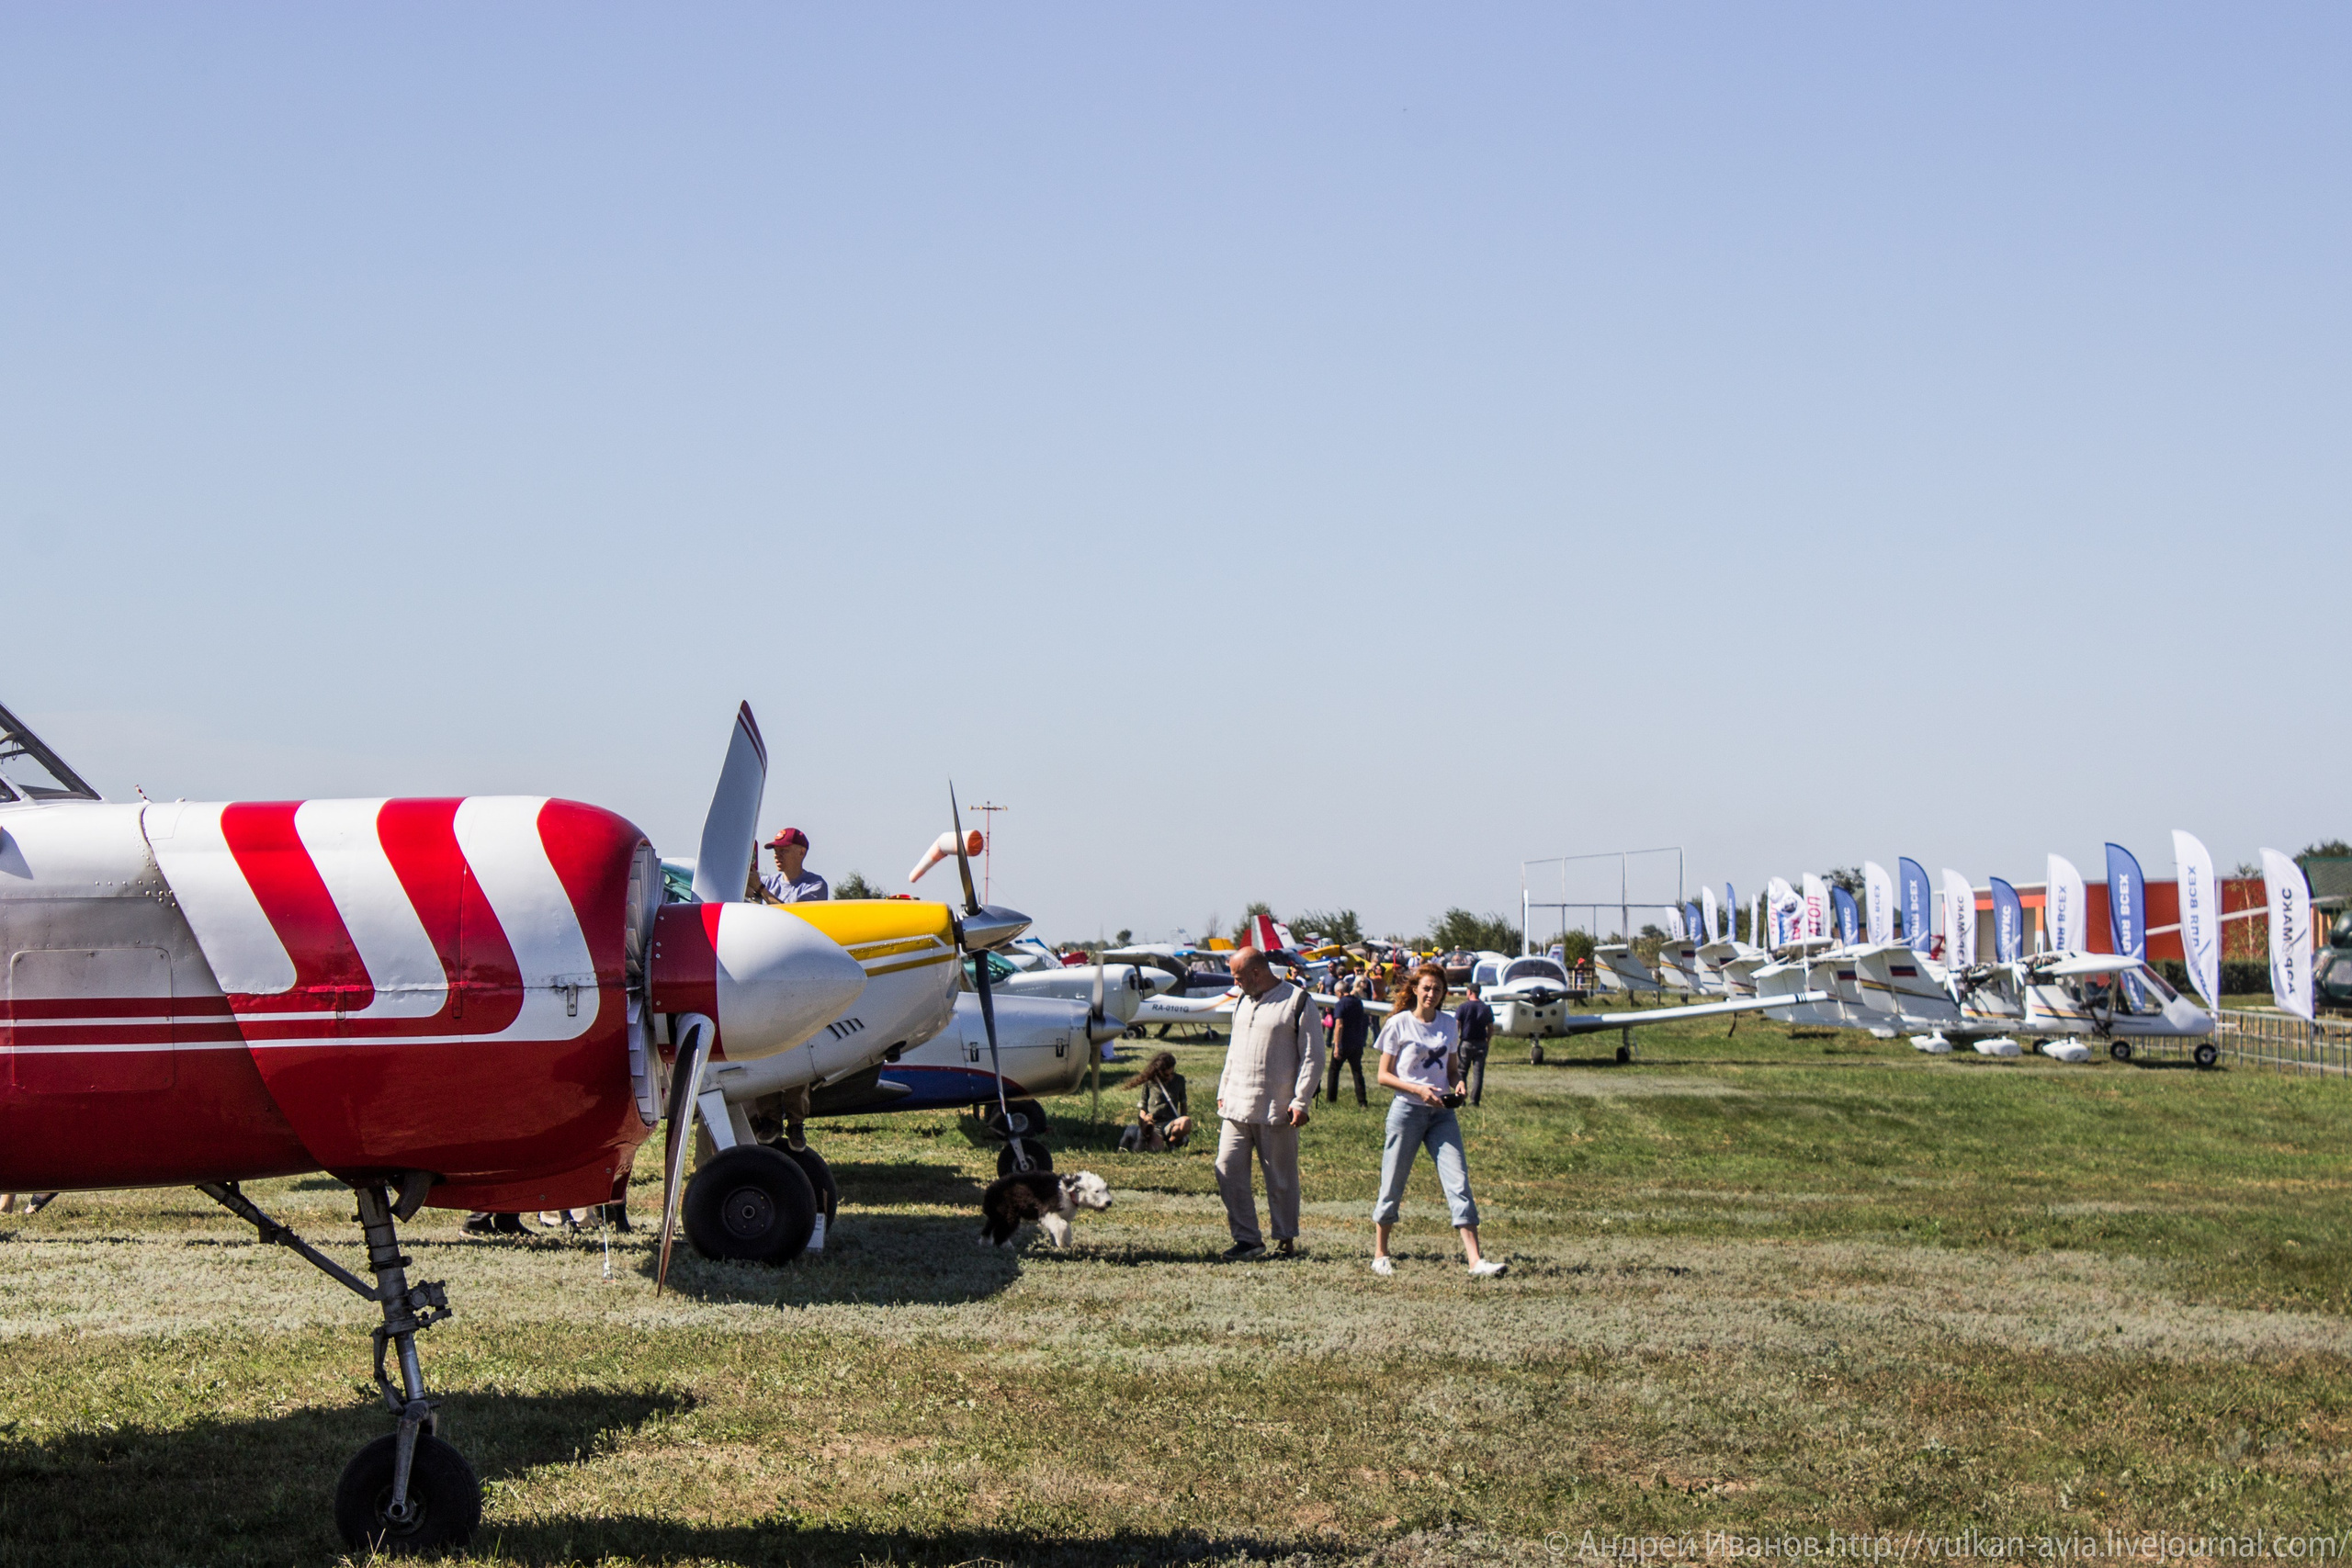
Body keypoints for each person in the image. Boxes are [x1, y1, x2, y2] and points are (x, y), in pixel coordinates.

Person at [1371, 962, 1505, 1279]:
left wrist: (1457, 1083)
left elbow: (1451, 1069)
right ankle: (1380, 1254)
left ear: (1445, 994)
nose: (1431, 994)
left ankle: (1475, 1261)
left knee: (1458, 1180)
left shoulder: (1449, 1023)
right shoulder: (1399, 1024)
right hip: (1407, 1111)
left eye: (1438, 989)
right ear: (1415, 989)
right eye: (1426, 988)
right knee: (1393, 1181)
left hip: (1442, 1113)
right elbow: (1383, 1076)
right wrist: (1417, 1088)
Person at [1213, 945, 1325, 1261]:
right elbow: (1234, 1050)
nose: (1236, 983)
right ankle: (1247, 1239)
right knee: (1227, 1168)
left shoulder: (1298, 1001)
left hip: (1277, 1107)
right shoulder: (1241, 1003)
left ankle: (1285, 1240)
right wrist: (1224, 1087)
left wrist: (1301, 1100)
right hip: (1236, 1105)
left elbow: (1313, 1056)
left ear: (1256, 973)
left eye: (1238, 977)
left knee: (1280, 1178)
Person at [1118, 1051, 1193, 1152]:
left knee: (1186, 1121)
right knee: (1155, 1150)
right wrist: (1144, 1124)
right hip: (1155, 1124)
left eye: (1172, 1073)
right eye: (1166, 1075)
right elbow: (1143, 1105)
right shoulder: (1150, 1082)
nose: (1169, 1077)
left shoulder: (1179, 1080)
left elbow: (1183, 1102)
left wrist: (1184, 1126)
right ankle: (1152, 1140)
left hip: (1171, 1122)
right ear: (1159, 1071)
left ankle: (1172, 1141)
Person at [1326, 976, 1369, 1106]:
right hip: (1357, 1042)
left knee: (1334, 1071)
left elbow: (1339, 1025)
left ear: (1339, 992)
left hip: (1344, 1043)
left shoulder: (1340, 1004)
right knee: (1357, 1072)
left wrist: (1337, 1046)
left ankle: (1331, 1099)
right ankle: (1362, 1101)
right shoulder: (1358, 1002)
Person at [1453, 981, 1495, 1107]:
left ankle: (1461, 1099)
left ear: (1470, 992)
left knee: (1461, 1072)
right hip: (1481, 1043)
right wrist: (1487, 1040)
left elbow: (1457, 1026)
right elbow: (1491, 1028)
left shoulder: (1463, 1007)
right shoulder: (1486, 1008)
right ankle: (1474, 1101)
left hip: (1466, 1043)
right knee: (1478, 1074)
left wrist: (1454, 1041)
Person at [760, 829, 829, 903]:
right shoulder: (768, 882)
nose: (777, 855)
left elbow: (792, 914)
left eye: (783, 850)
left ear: (801, 852)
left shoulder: (814, 884)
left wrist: (760, 889)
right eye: (776, 851)